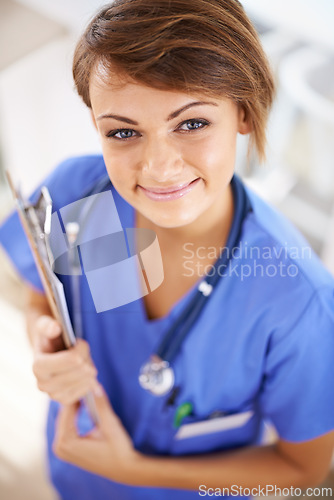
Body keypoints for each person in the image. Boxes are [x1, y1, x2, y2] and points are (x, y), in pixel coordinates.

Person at [1, 0, 334, 498]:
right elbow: (39, 292)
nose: (158, 167)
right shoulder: (83, 198)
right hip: (75, 472)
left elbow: (303, 470)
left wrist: (135, 471)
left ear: (243, 112)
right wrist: (45, 339)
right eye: (123, 132)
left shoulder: (296, 301)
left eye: (192, 123)